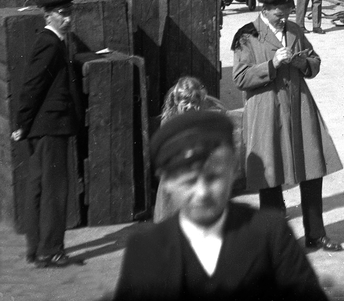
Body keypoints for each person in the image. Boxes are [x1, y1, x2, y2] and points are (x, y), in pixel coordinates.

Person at [114, 111, 326, 300]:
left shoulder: (272, 234)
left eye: (213, 178)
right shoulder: (144, 252)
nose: (203, 193)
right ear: (167, 183)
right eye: (189, 181)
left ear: (234, 170)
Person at [231, 0, 343, 254]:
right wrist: (272, 65)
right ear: (265, 10)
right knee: (271, 175)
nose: (284, 17)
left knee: (312, 169)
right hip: (267, 111)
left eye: (287, 11)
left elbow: (314, 60)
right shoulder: (247, 36)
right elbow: (240, 78)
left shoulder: (293, 30)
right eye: (279, 13)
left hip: (299, 106)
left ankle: (316, 234)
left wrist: (302, 63)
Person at [10, 0, 85, 268]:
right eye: (61, 14)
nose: (67, 18)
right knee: (54, 190)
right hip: (51, 126)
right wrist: (21, 123)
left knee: (40, 187)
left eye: (69, 13)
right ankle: (51, 250)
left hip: (46, 126)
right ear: (47, 16)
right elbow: (32, 86)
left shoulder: (56, 42)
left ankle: (36, 249)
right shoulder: (50, 44)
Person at [154, 76, 230, 222]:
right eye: (185, 102)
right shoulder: (169, 121)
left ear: (200, 103)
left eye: (193, 102)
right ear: (176, 102)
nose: (189, 106)